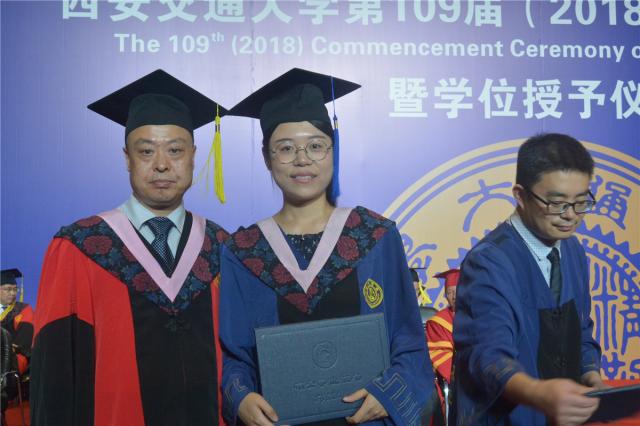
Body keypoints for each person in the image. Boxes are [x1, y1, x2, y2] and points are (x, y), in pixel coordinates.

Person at [219, 68, 433, 426]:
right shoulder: (244, 252)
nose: (302, 159)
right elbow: (234, 356)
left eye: (316, 146)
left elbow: (410, 342)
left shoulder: (374, 236)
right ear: (266, 156)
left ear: (333, 150)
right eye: (285, 148)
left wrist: (389, 394)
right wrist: (240, 397)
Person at [30, 70, 229, 426]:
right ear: (127, 158)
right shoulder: (80, 247)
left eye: (175, 150)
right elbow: (54, 376)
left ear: (193, 156)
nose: (162, 164)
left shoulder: (220, 246)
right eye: (146, 151)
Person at [452, 133, 606, 426]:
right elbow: (488, 356)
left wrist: (592, 377)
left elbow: (582, 331)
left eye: (580, 202)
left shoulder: (573, 251)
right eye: (557, 203)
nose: (570, 216)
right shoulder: (488, 262)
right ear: (520, 196)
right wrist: (539, 393)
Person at [425, 268, 459, 385]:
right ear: (445, 295)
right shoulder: (438, 323)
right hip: (457, 379)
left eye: (458, 291)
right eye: (450, 292)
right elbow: (443, 360)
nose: (454, 297)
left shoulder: (478, 316)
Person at [0, 268, 33, 376]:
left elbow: (23, 343)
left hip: (11, 364)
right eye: (8, 289)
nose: (13, 293)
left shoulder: (23, 310)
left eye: (15, 289)